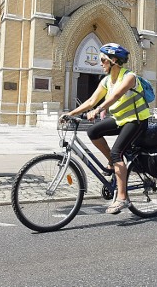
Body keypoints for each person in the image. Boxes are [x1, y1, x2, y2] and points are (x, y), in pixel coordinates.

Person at [59, 43, 150, 214]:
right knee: (93, 131)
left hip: (136, 120)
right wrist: (70, 113)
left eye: (102, 60)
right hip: (120, 119)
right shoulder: (107, 80)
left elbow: (116, 96)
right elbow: (91, 101)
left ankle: (122, 198)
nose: (100, 63)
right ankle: (113, 163)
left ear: (113, 60)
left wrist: (100, 109)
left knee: (117, 152)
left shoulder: (129, 77)